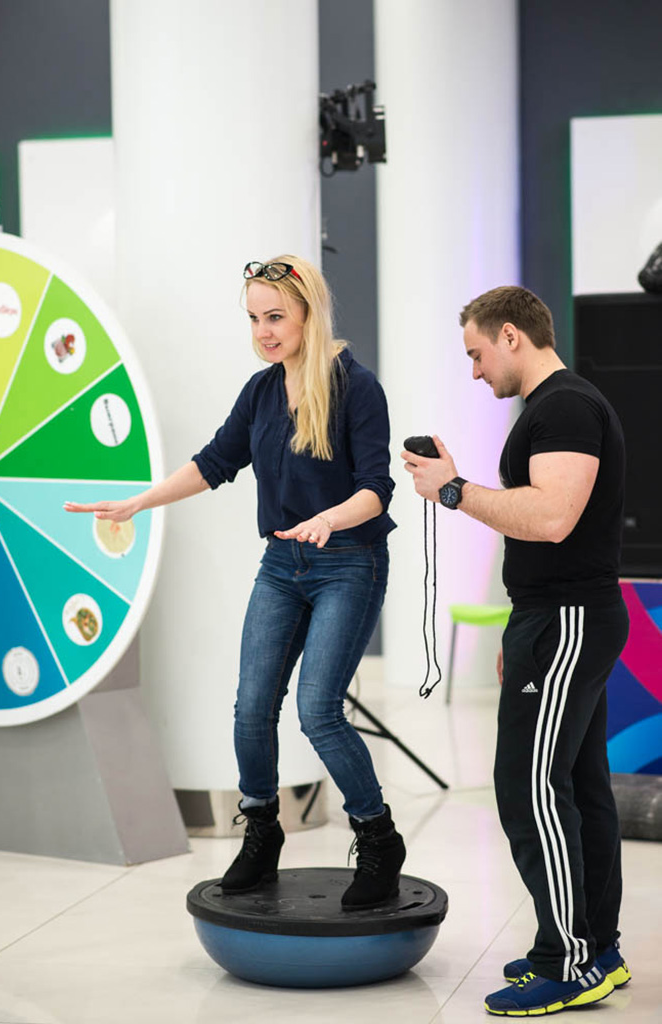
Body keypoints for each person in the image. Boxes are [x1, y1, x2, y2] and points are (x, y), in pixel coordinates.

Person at [65, 255, 405, 910]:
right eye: (253, 319)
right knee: (251, 707)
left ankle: (378, 837)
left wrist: (327, 520)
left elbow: (375, 490)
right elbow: (215, 462)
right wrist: (139, 502)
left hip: (347, 561)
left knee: (317, 711)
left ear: (309, 314)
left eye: (275, 317)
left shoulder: (356, 388)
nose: (263, 332)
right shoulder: (261, 392)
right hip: (282, 565)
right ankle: (262, 830)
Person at [401, 286, 630, 1015]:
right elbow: (546, 531)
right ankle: (594, 946)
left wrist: (453, 490)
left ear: (510, 335)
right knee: (579, 789)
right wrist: (517, 625)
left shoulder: (565, 408)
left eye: (476, 354)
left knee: (530, 790)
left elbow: (552, 517)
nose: (474, 371)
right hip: (553, 617)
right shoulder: (554, 408)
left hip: (566, 619)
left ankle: (571, 961)